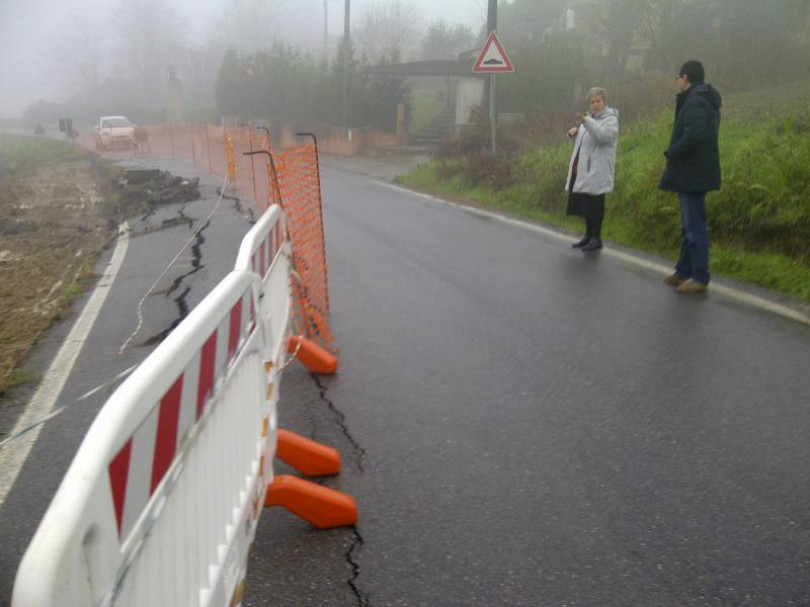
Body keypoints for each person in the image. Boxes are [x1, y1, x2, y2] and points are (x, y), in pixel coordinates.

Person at [659, 60, 722, 294]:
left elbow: (694, 135)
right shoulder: (702, 98)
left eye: (678, 77)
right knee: (689, 225)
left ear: (685, 78)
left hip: (693, 171)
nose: (677, 81)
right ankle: (683, 272)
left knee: (694, 225)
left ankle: (700, 277)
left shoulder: (695, 101)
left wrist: (672, 152)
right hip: (695, 170)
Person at [565, 87, 619, 252]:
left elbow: (603, 137)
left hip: (599, 169)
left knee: (596, 203)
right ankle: (588, 236)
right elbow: (585, 145)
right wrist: (574, 135)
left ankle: (597, 238)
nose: (595, 104)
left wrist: (587, 123)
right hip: (585, 169)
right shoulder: (588, 120)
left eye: (598, 101)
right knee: (587, 204)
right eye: (592, 102)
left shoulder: (610, 119)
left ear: (605, 102)